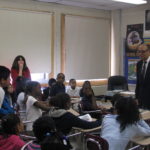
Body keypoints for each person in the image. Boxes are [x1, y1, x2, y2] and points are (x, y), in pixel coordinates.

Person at [135, 43, 150, 109]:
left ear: (149, 51)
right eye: (139, 51)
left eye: (143, 51)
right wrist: (136, 97)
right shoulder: (139, 64)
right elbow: (138, 83)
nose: (140, 54)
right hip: (141, 100)